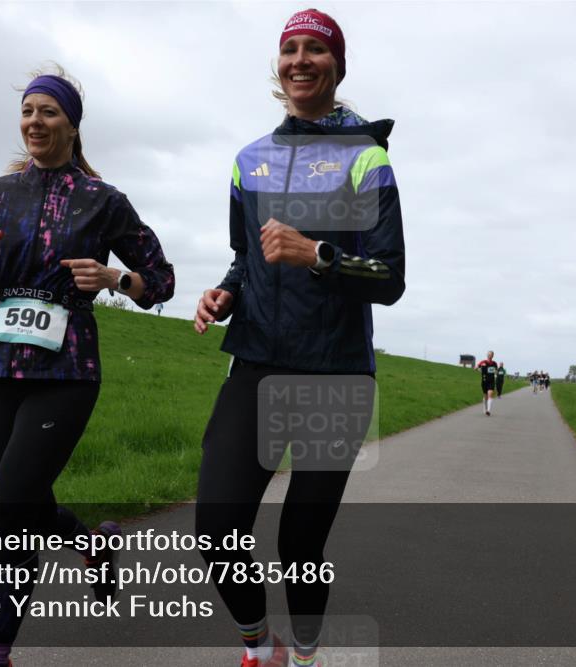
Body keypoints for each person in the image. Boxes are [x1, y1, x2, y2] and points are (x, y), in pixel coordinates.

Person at [193, 9, 406, 667]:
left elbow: (390, 276)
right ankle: (262, 645)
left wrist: (318, 255)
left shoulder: (366, 160)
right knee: (217, 529)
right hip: (255, 363)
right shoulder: (247, 161)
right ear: (278, 65)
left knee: (300, 544)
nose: (301, 60)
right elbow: (245, 255)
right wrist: (226, 291)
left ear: (337, 67)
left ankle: (309, 653)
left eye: (317, 49)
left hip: (336, 372)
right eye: (291, 50)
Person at [0, 66, 175, 667]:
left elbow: (162, 281)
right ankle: (95, 545)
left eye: (48, 112)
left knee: (11, 501)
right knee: (22, 497)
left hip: (67, 371)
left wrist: (114, 278)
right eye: (28, 111)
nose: (34, 122)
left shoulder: (103, 201)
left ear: (72, 124)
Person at [477, 351, 498, 415]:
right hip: (484, 381)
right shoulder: (483, 362)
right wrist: (480, 370)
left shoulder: (494, 363)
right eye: (488, 354)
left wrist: (495, 375)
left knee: (490, 394)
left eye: (491, 355)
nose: (489, 356)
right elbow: (476, 367)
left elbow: (496, 371)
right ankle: (485, 408)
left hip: (491, 381)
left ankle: (488, 410)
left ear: (492, 356)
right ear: (487, 355)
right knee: (485, 396)